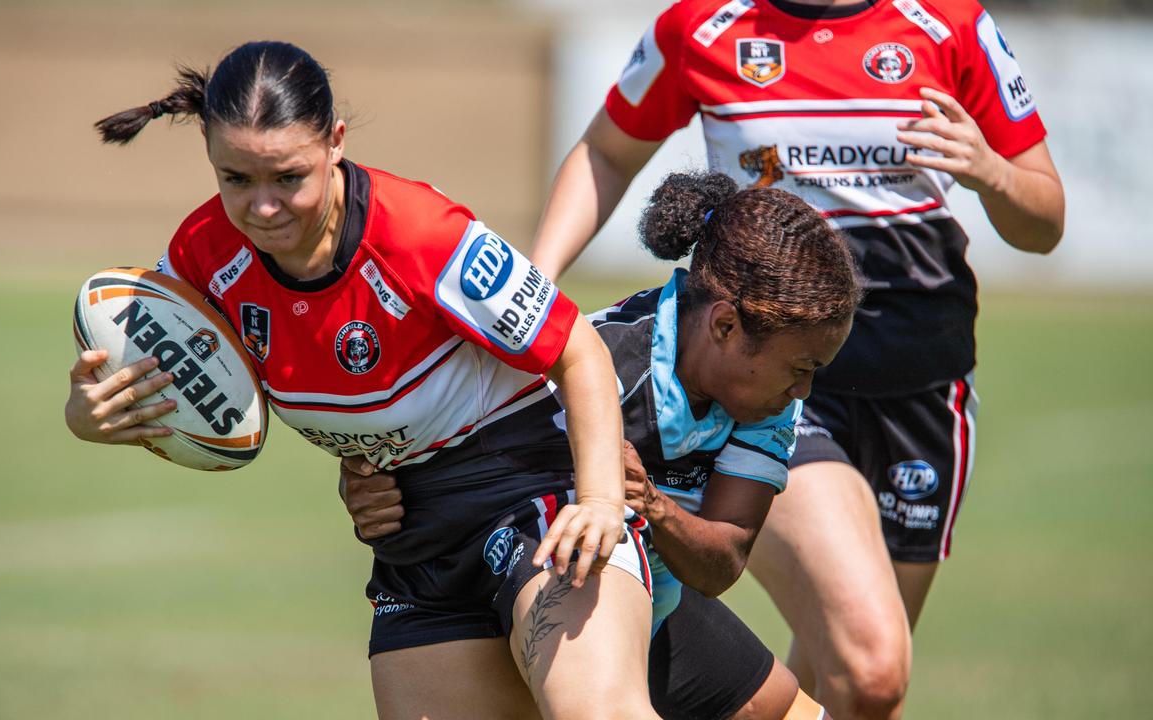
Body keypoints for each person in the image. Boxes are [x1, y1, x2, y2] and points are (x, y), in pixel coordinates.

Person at [61, 41, 664, 720]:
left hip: (532, 494)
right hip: (414, 537)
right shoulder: (203, 255)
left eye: (288, 178)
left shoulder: (420, 236)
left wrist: (601, 502)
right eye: (236, 179)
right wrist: (90, 417)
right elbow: (173, 381)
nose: (262, 208)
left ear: (335, 143)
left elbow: (577, 350)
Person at [528, 1, 1065, 718]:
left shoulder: (950, 23)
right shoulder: (702, 26)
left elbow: (1045, 222)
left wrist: (989, 171)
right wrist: (531, 292)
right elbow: (605, 152)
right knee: (873, 664)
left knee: (853, 687)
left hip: (923, 386)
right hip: (776, 386)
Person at [342, 170, 863, 720]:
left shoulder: (772, 403)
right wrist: (370, 478)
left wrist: (651, 504)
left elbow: (722, 562)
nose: (804, 389)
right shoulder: (597, 365)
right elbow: (441, 425)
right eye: (801, 367)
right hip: (535, 600)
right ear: (726, 326)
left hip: (654, 600)